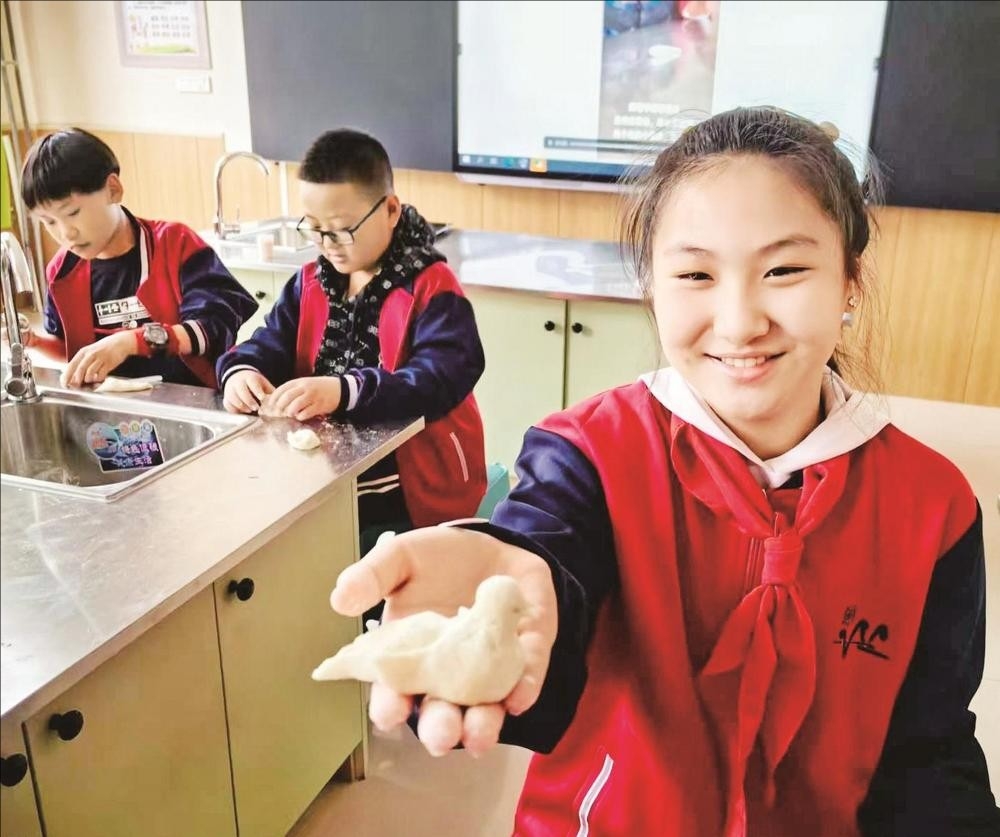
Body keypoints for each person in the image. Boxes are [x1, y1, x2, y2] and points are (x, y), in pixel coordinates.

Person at [327, 107, 1000, 835]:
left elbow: (930, 752)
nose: (740, 322)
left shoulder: (934, 506)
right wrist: (507, 605)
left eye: (784, 270)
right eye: (696, 274)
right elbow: (546, 564)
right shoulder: (586, 453)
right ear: (654, 287)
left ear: (850, 283)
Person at [217, 128, 486, 537]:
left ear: (390, 210)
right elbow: (269, 342)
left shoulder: (431, 286)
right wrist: (242, 371)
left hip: (410, 493)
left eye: (342, 229)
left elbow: (440, 378)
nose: (328, 244)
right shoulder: (309, 282)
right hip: (326, 479)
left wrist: (344, 390)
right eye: (314, 228)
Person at [19, 128, 258, 388]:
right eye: (49, 222)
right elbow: (73, 352)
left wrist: (131, 342)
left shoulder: (175, 244)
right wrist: (35, 342)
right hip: (113, 407)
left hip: (192, 400)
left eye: (73, 213)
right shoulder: (62, 271)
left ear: (113, 189)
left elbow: (211, 329)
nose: (66, 233)